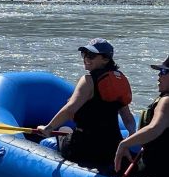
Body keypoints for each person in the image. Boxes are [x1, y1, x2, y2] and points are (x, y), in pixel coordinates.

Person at [38, 38, 136, 167]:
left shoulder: (88, 80)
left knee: (48, 141)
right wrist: (131, 136)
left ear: (106, 59)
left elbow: (70, 110)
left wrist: (48, 128)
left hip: (85, 147)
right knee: (66, 130)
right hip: (112, 146)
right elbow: (127, 117)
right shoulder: (118, 80)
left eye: (91, 56)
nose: (86, 59)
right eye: (84, 54)